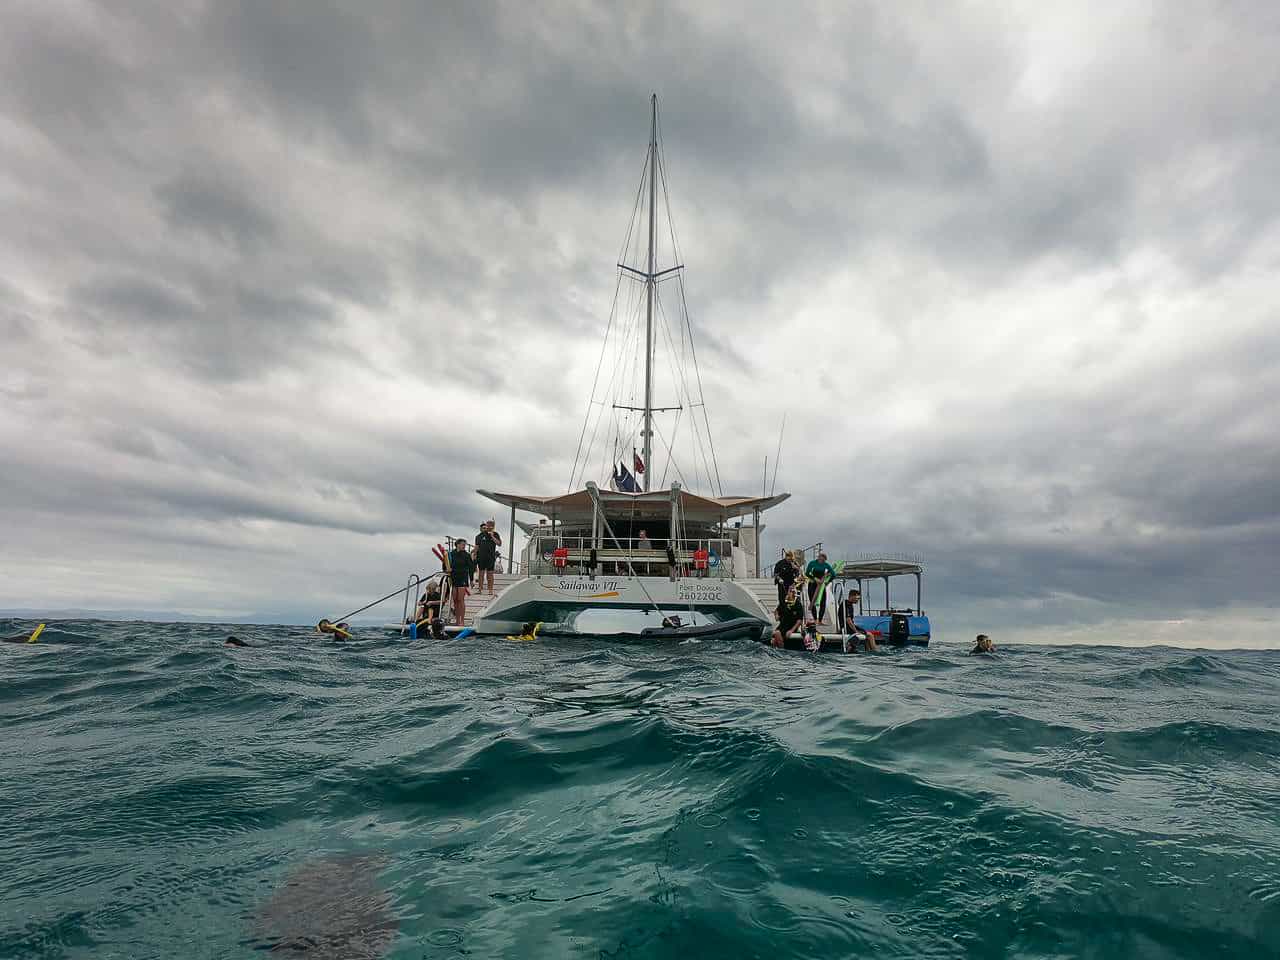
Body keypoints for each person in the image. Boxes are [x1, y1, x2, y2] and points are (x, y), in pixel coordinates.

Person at [448, 536, 475, 625]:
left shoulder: (466, 555)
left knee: (461, 599)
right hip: (453, 577)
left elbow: (471, 568)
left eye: (465, 545)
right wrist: (447, 570)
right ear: (457, 545)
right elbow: (446, 565)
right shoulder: (451, 554)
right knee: (455, 600)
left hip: (463, 577)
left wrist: (471, 580)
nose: (464, 546)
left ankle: (462, 620)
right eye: (463, 545)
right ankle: (457, 620)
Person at [804, 552, 837, 623]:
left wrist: (828, 582)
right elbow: (807, 573)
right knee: (812, 600)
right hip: (813, 583)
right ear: (818, 557)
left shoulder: (826, 565)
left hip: (821, 585)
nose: (822, 560)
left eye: (824, 559)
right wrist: (815, 578)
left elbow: (833, 574)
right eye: (821, 558)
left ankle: (820, 620)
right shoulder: (812, 563)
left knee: (823, 602)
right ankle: (815, 619)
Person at [474, 520, 502, 595]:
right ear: (486, 525)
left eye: (491, 525)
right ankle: (480, 589)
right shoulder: (479, 536)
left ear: (493, 526)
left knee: (490, 574)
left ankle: (490, 590)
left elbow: (499, 544)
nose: (489, 527)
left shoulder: (495, 534)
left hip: (491, 557)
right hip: (481, 557)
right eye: (488, 525)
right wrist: (474, 555)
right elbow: (476, 546)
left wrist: (492, 536)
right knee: (481, 573)